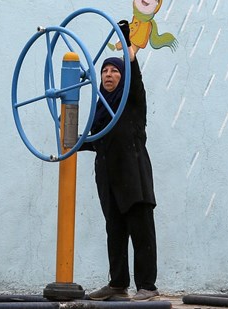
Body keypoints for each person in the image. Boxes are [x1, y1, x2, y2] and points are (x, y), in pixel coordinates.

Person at [84, 20, 158, 302]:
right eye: (104, 70)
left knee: (141, 231)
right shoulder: (100, 108)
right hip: (108, 177)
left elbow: (135, 78)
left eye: (115, 70)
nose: (109, 74)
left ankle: (147, 286)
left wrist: (127, 44)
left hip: (133, 175)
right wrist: (71, 140)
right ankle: (117, 284)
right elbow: (94, 141)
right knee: (114, 231)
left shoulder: (132, 101)